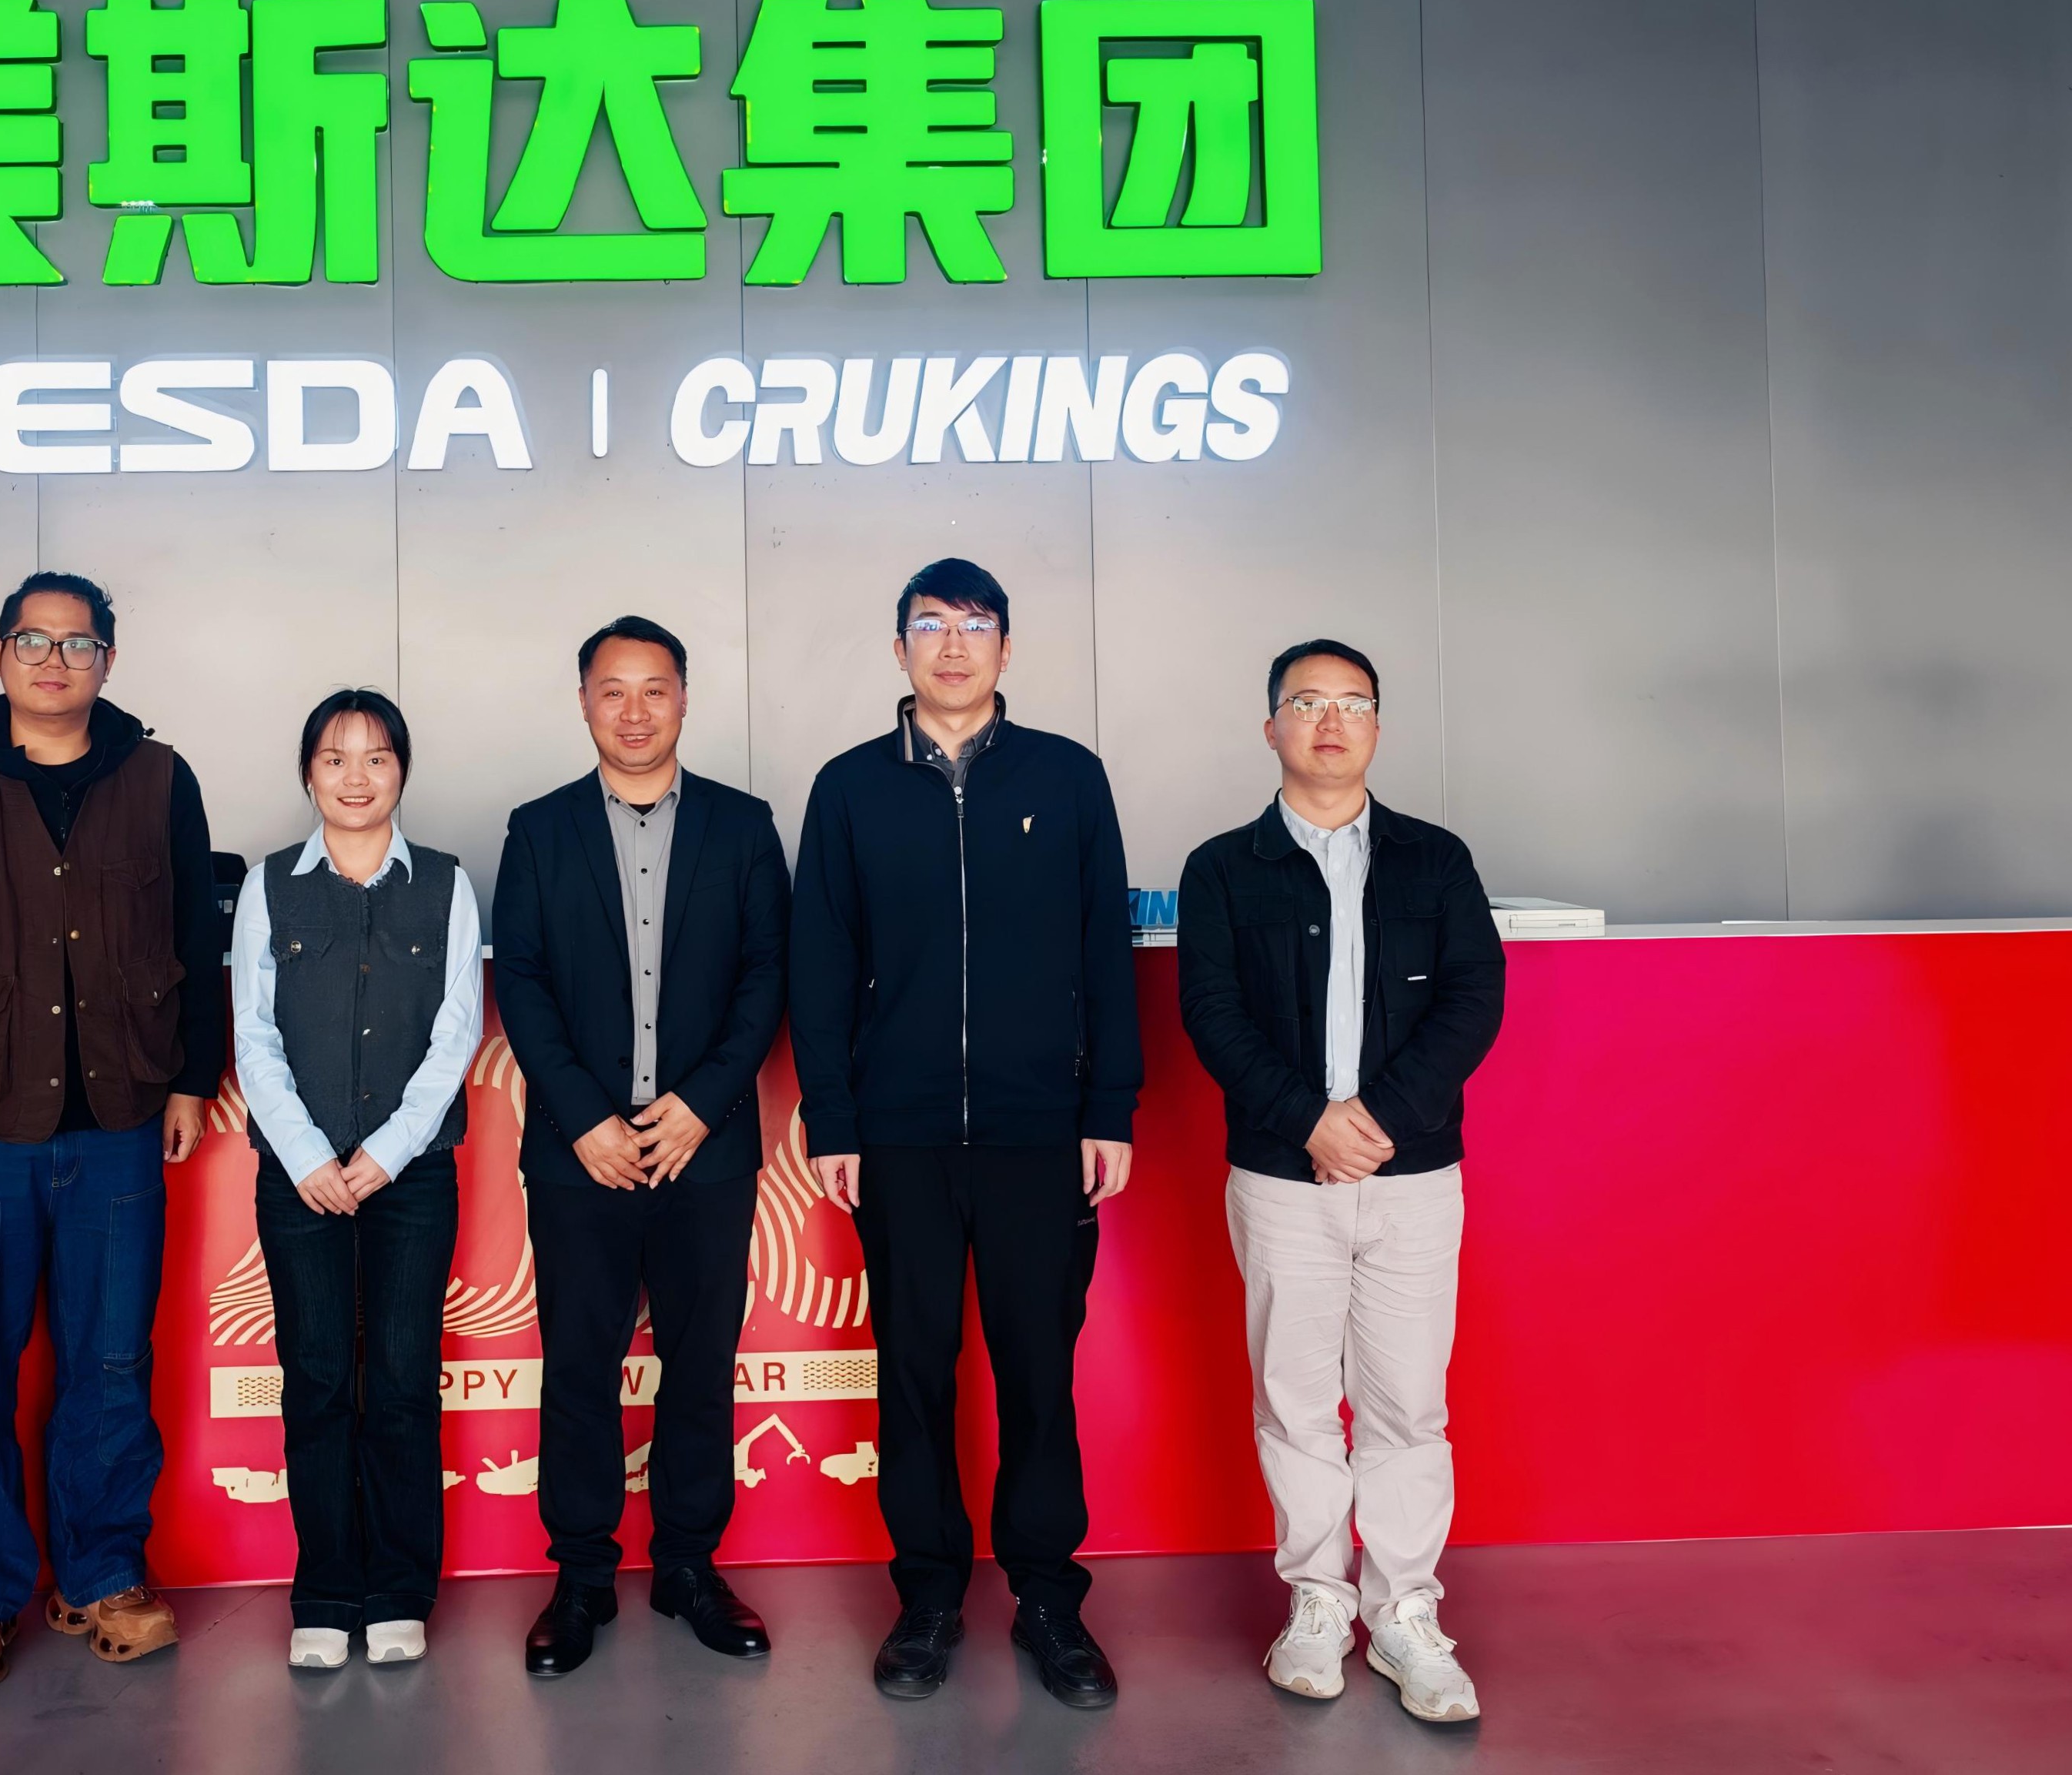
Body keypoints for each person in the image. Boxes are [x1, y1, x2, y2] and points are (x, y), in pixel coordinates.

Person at [0, 570, 222, 1694]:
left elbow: (195, 940)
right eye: (33, 639)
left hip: (119, 1125)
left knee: (110, 1364)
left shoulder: (159, 779)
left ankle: (103, 1575)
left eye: (76, 643)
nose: (54, 660)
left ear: (109, 659)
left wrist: (191, 1079)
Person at [787, 557, 1141, 1712]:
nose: (953, 644)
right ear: (899, 648)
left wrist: (1110, 1107)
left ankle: (1046, 1598)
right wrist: (835, 1117)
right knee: (913, 1371)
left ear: (1005, 647)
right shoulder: (849, 788)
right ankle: (929, 1596)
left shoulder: (1068, 777)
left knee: (1039, 1371)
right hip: (900, 1135)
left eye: (975, 624)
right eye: (931, 625)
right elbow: (820, 965)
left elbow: (1103, 953)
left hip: (1042, 1132)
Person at [1175, 639, 1505, 1726]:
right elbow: (1212, 1015)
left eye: (1351, 703)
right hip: (1281, 1177)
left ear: (1376, 726)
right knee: (1295, 1397)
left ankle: (1405, 1611)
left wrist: (1375, 1123)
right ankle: (1316, 1601)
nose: (1329, 721)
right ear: (1270, 726)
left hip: (1414, 1176)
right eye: (1306, 702)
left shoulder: (1435, 860)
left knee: (1409, 1403)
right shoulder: (1223, 868)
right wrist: (1309, 1121)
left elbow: (1473, 1001)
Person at [493, 617, 791, 1678]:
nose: (633, 710)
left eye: (654, 689)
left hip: (705, 1147)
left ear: (684, 699)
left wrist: (703, 1104)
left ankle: (688, 1567)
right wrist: (583, 1118)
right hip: (582, 1153)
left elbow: (767, 974)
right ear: (584, 702)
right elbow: (521, 979)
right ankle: (580, 1575)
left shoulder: (744, 826)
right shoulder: (539, 830)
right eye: (612, 690)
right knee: (579, 1366)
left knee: (699, 1366)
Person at [229, 689, 482, 1673]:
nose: (356, 776)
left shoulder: (447, 883)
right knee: (320, 1378)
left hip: (410, 1177)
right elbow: (253, 1033)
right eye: (334, 758)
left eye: (376, 757)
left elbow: (456, 1030)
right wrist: (305, 1155)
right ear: (308, 773)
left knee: (404, 1382)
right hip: (300, 1180)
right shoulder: (268, 887)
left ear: (401, 770)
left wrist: (387, 1151)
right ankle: (327, 1592)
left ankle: (399, 1589)